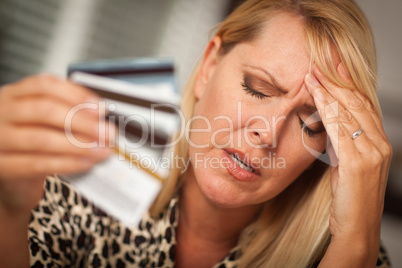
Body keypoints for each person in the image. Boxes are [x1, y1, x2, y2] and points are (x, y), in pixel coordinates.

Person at [0, 0, 393, 267]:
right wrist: (8, 215)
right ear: (207, 66)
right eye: (257, 88)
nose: (267, 134)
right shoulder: (81, 176)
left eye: (311, 124)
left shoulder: (352, 252)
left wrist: (354, 247)